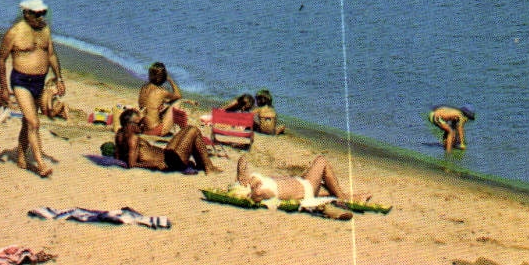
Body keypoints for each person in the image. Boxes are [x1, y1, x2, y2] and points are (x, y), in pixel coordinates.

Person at [0, 0, 61, 178]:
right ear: (26, 13)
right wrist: (3, 88)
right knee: (34, 122)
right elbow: (1, 59)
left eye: (43, 13)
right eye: (37, 14)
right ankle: (41, 164)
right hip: (21, 81)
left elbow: (51, 54)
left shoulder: (45, 29)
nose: (41, 17)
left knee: (27, 122)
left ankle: (21, 153)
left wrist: (59, 78)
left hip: (39, 81)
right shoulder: (14, 32)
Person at [233, 153, 365, 207]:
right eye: (242, 176)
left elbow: (243, 161)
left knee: (330, 190)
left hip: (301, 182)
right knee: (321, 160)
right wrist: (253, 188)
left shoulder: (254, 179)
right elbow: (257, 195)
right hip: (306, 188)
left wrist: (251, 180)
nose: (245, 174)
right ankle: (343, 198)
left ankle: (354, 197)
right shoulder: (259, 191)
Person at [115, 109, 211, 174]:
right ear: (129, 125)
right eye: (139, 123)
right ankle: (208, 167)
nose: (142, 125)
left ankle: (202, 165)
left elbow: (118, 156)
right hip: (169, 162)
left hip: (166, 154)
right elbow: (132, 164)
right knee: (193, 130)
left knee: (187, 129)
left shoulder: (119, 134)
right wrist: (154, 164)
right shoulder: (133, 138)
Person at [136, 62, 181, 135]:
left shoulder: (144, 88)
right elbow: (178, 96)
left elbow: (150, 103)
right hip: (155, 129)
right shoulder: (161, 91)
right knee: (178, 102)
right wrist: (171, 80)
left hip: (145, 127)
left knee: (163, 105)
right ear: (163, 77)